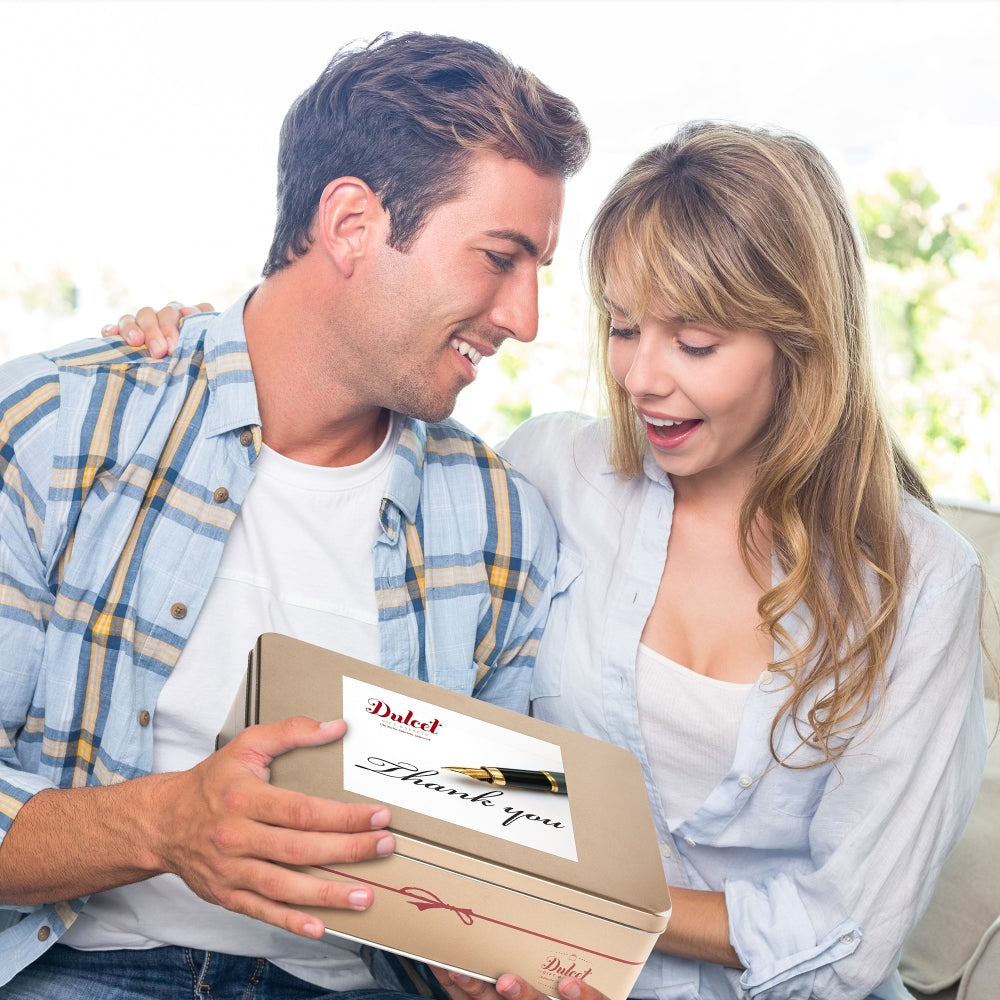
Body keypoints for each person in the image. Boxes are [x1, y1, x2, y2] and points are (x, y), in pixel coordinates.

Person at [106, 122, 990, 999]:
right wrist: (204, 349)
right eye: (623, 327)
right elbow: (349, 417)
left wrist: (570, 908)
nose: (642, 377)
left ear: (799, 344)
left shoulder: (921, 582)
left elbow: (848, 942)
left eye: (695, 344)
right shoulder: (554, 472)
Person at [0, 32, 589, 998]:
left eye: (538, 271)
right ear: (351, 223)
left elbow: (479, 879)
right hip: (77, 966)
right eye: (499, 258)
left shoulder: (500, 525)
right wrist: (164, 825)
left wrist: (490, 966)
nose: (524, 317)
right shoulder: (58, 430)